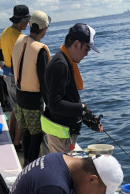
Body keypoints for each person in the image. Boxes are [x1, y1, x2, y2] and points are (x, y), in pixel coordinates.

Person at [43, 23, 104, 153]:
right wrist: (81, 108)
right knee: (62, 165)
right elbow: (54, 104)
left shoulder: (65, 61)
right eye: (87, 49)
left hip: (64, 132)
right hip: (61, 135)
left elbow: (68, 99)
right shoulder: (60, 65)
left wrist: (87, 119)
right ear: (76, 44)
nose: (86, 54)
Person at [11, 10, 51, 166]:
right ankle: (31, 167)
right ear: (44, 29)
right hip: (33, 100)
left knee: (26, 131)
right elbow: (44, 83)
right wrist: (51, 106)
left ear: (30, 24)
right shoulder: (40, 50)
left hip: (19, 96)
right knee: (36, 135)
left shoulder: (19, 41)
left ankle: (26, 162)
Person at [0, 5, 31, 150]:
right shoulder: (20, 38)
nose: (27, 24)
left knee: (15, 108)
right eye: (27, 21)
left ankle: (11, 136)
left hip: (7, 74)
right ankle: (17, 143)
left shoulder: (5, 32)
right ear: (21, 21)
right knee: (21, 112)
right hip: (16, 76)